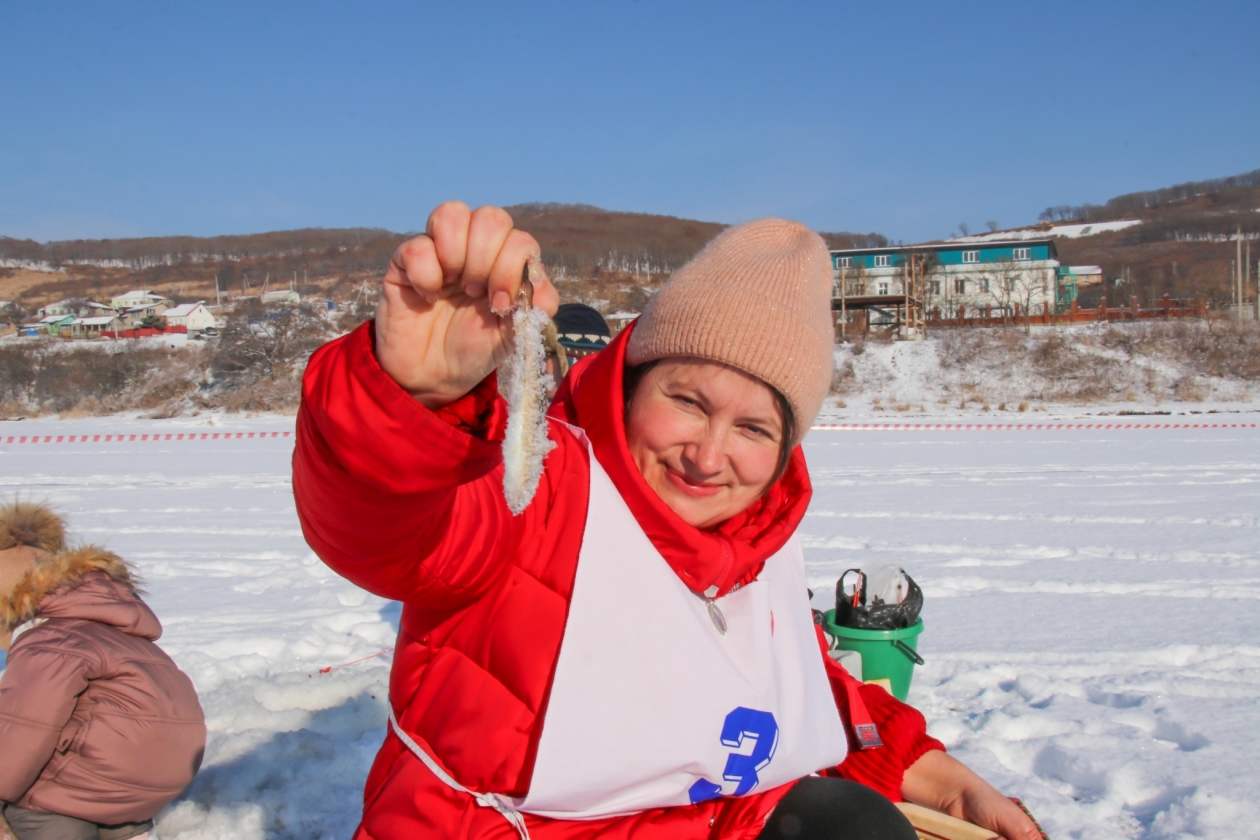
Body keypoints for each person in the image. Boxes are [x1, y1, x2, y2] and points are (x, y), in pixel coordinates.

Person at [293, 201, 1040, 840]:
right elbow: (390, 526)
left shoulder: (752, 544)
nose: (708, 456)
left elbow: (792, 684)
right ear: (629, 384)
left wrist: (918, 763)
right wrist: (408, 403)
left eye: (753, 430)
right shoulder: (534, 492)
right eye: (687, 401)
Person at [0, 502, 206, 840]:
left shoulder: (48, 639)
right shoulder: (121, 631)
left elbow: (25, 727)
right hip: (159, 777)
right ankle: (127, 830)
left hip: (99, 776)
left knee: (26, 805)